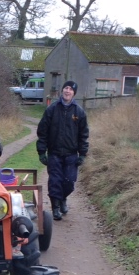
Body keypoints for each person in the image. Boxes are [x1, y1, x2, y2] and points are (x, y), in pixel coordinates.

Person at [36, 80, 89, 221]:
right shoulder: (52, 109)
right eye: (65, 88)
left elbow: (83, 135)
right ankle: (56, 208)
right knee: (55, 181)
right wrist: (42, 152)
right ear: (62, 91)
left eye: (70, 89)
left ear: (74, 93)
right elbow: (42, 132)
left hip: (71, 154)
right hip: (54, 153)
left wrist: (82, 154)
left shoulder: (79, 112)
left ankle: (63, 198)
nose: (67, 91)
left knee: (69, 182)